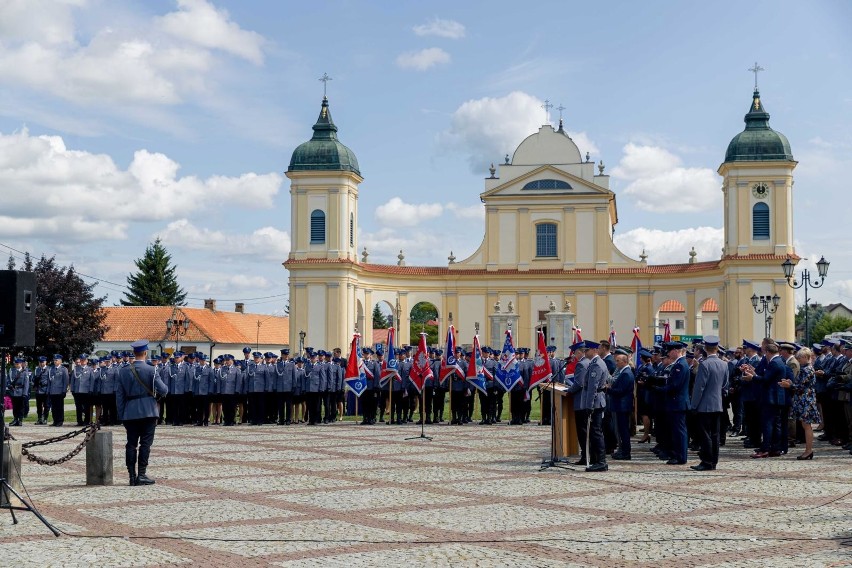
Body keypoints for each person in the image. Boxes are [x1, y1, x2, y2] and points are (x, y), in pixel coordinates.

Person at [116, 340, 168, 486]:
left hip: (130, 412)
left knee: (131, 444)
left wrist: (121, 415)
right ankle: (142, 474)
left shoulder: (123, 371)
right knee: (145, 444)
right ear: (145, 353)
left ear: (134, 353)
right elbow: (164, 390)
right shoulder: (152, 370)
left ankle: (132, 476)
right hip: (148, 411)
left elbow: (119, 395)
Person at [689, 336, 728, 471]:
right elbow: (725, 384)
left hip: (704, 405)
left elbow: (699, 387)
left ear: (705, 349)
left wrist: (693, 405)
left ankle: (706, 461)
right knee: (715, 435)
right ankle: (713, 461)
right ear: (717, 348)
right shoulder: (724, 364)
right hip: (717, 404)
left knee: (705, 435)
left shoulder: (704, 364)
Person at [787, 347, 819, 460]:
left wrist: (790, 385)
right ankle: (808, 450)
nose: (798, 360)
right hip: (805, 398)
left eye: (800, 358)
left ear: (806, 357)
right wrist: (791, 383)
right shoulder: (806, 368)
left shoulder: (807, 369)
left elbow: (801, 386)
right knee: (805, 425)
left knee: (806, 426)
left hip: (806, 399)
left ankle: (809, 450)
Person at [608, 353, 635, 460]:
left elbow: (621, 391)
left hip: (622, 406)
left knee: (623, 430)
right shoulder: (624, 372)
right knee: (622, 430)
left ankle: (625, 453)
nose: (616, 363)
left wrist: (608, 389)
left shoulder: (626, 373)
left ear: (624, 361)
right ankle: (623, 451)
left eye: (618, 361)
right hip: (621, 405)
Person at [6, 357, 31, 426]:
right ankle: (15, 419)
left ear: (21, 364)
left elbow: (26, 384)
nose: (16, 365)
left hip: (21, 391)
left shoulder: (25, 372)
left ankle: (20, 420)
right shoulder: (12, 371)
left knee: (21, 407)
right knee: (15, 407)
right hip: (13, 391)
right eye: (15, 364)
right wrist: (9, 385)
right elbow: (8, 380)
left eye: (18, 364)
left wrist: (25, 393)